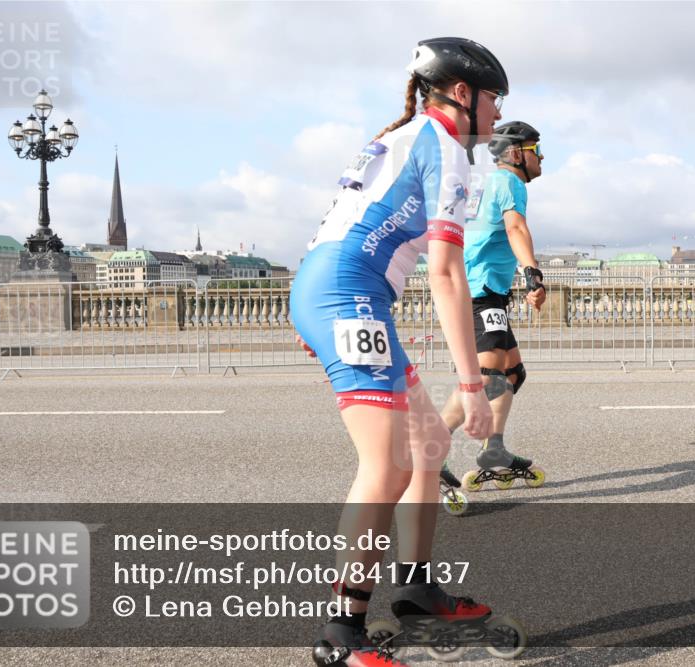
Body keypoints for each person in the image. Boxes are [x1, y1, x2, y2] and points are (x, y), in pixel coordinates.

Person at [289, 37, 508, 666]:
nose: (496, 113)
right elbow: (446, 273)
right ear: (462, 94)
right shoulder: (444, 144)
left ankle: (414, 587)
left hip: (338, 288)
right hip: (346, 293)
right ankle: (341, 629)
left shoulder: (414, 133)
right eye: (493, 98)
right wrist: (472, 386)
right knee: (385, 463)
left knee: (428, 447)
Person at [438, 121, 547, 493]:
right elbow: (515, 228)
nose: (541, 156)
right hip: (479, 289)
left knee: (512, 373)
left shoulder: (485, 183)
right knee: (487, 377)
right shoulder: (509, 181)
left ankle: (494, 451)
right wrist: (533, 273)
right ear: (516, 153)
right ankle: (429, 449)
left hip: (484, 289)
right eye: (535, 148)